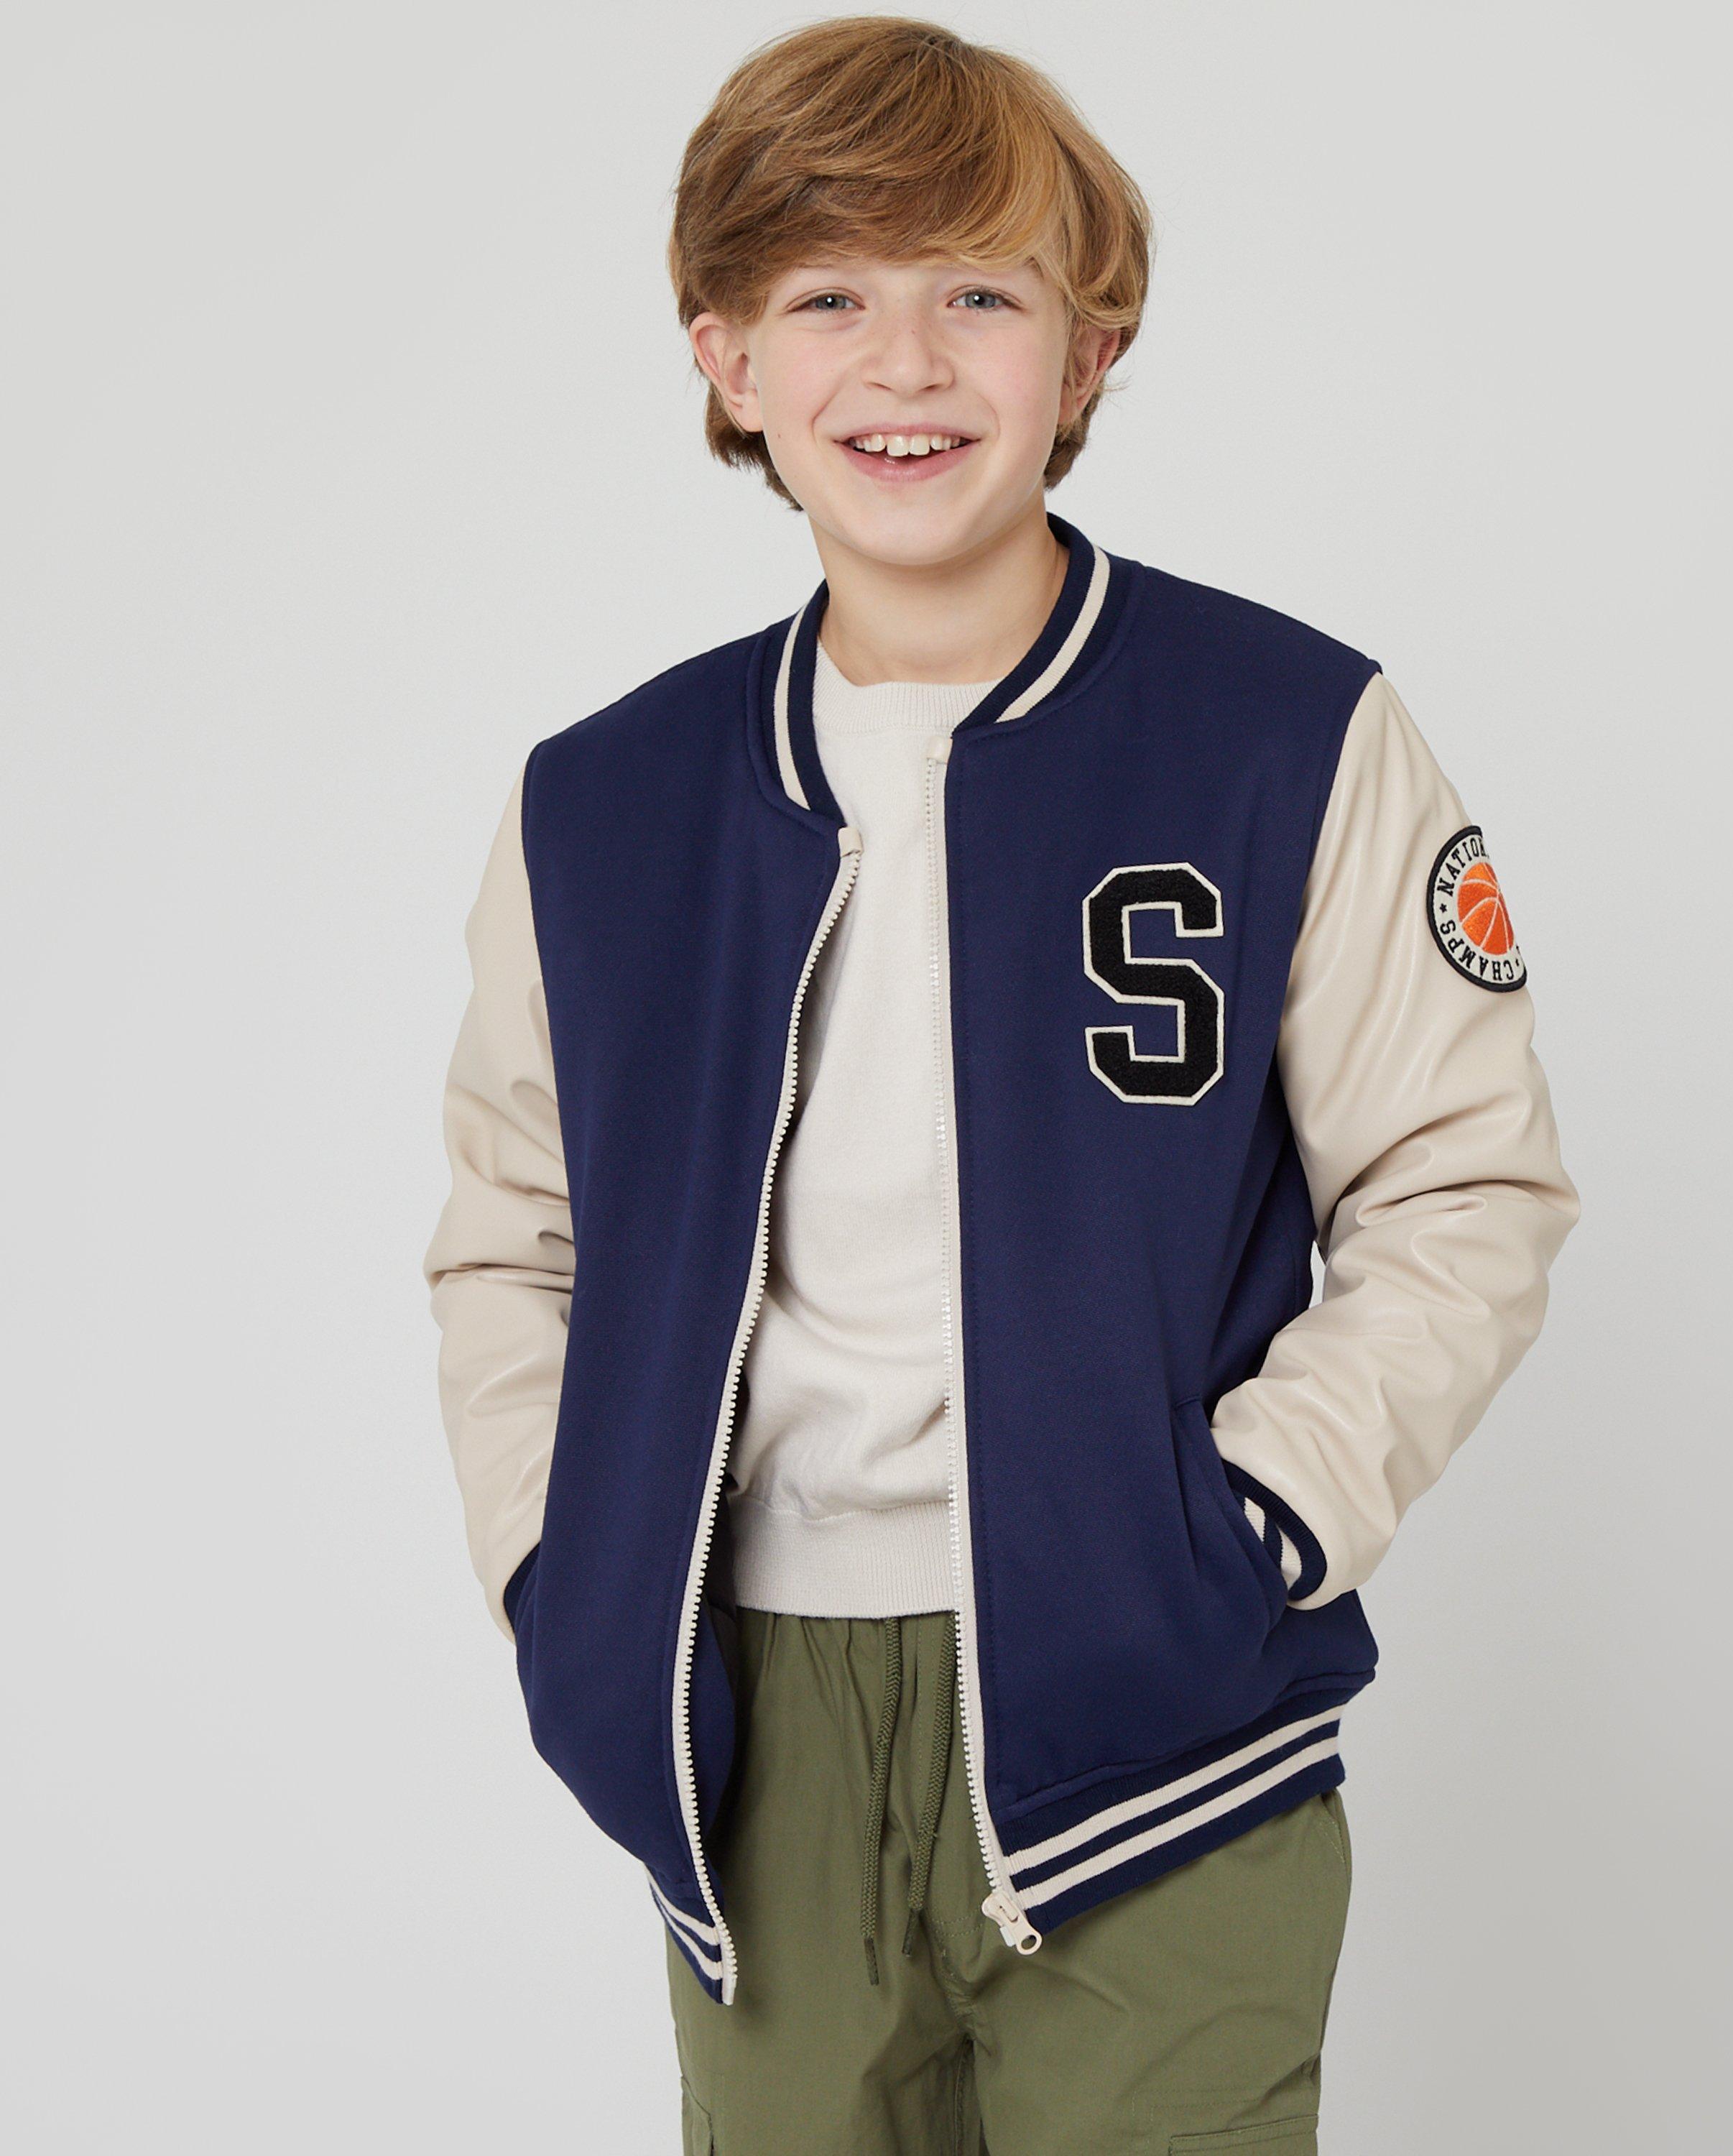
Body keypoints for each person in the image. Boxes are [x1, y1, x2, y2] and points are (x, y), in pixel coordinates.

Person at [422, 16, 1579, 2153]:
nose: (908, 363)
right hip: (748, 1730)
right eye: (827, 299)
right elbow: (517, 1237)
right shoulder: (601, 806)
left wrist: (1254, 1526)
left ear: (1088, 350)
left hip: (1161, 1725)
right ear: (727, 362)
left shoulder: (1287, 733)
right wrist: (555, 1573)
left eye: (980, 292)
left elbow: (1462, 1184)